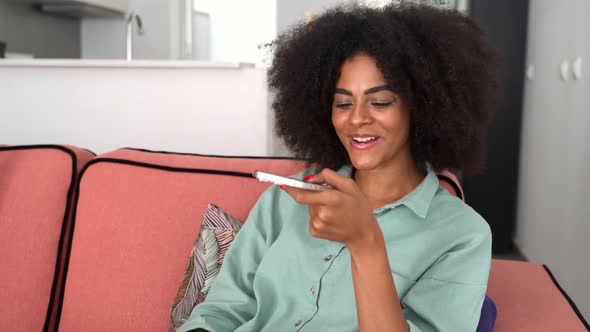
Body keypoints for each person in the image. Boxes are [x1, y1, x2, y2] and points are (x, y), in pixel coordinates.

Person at [179, 3, 500, 332]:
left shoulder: (462, 236)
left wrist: (365, 242)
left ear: (422, 106)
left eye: (380, 101)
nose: (357, 118)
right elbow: (220, 312)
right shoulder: (285, 200)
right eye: (343, 103)